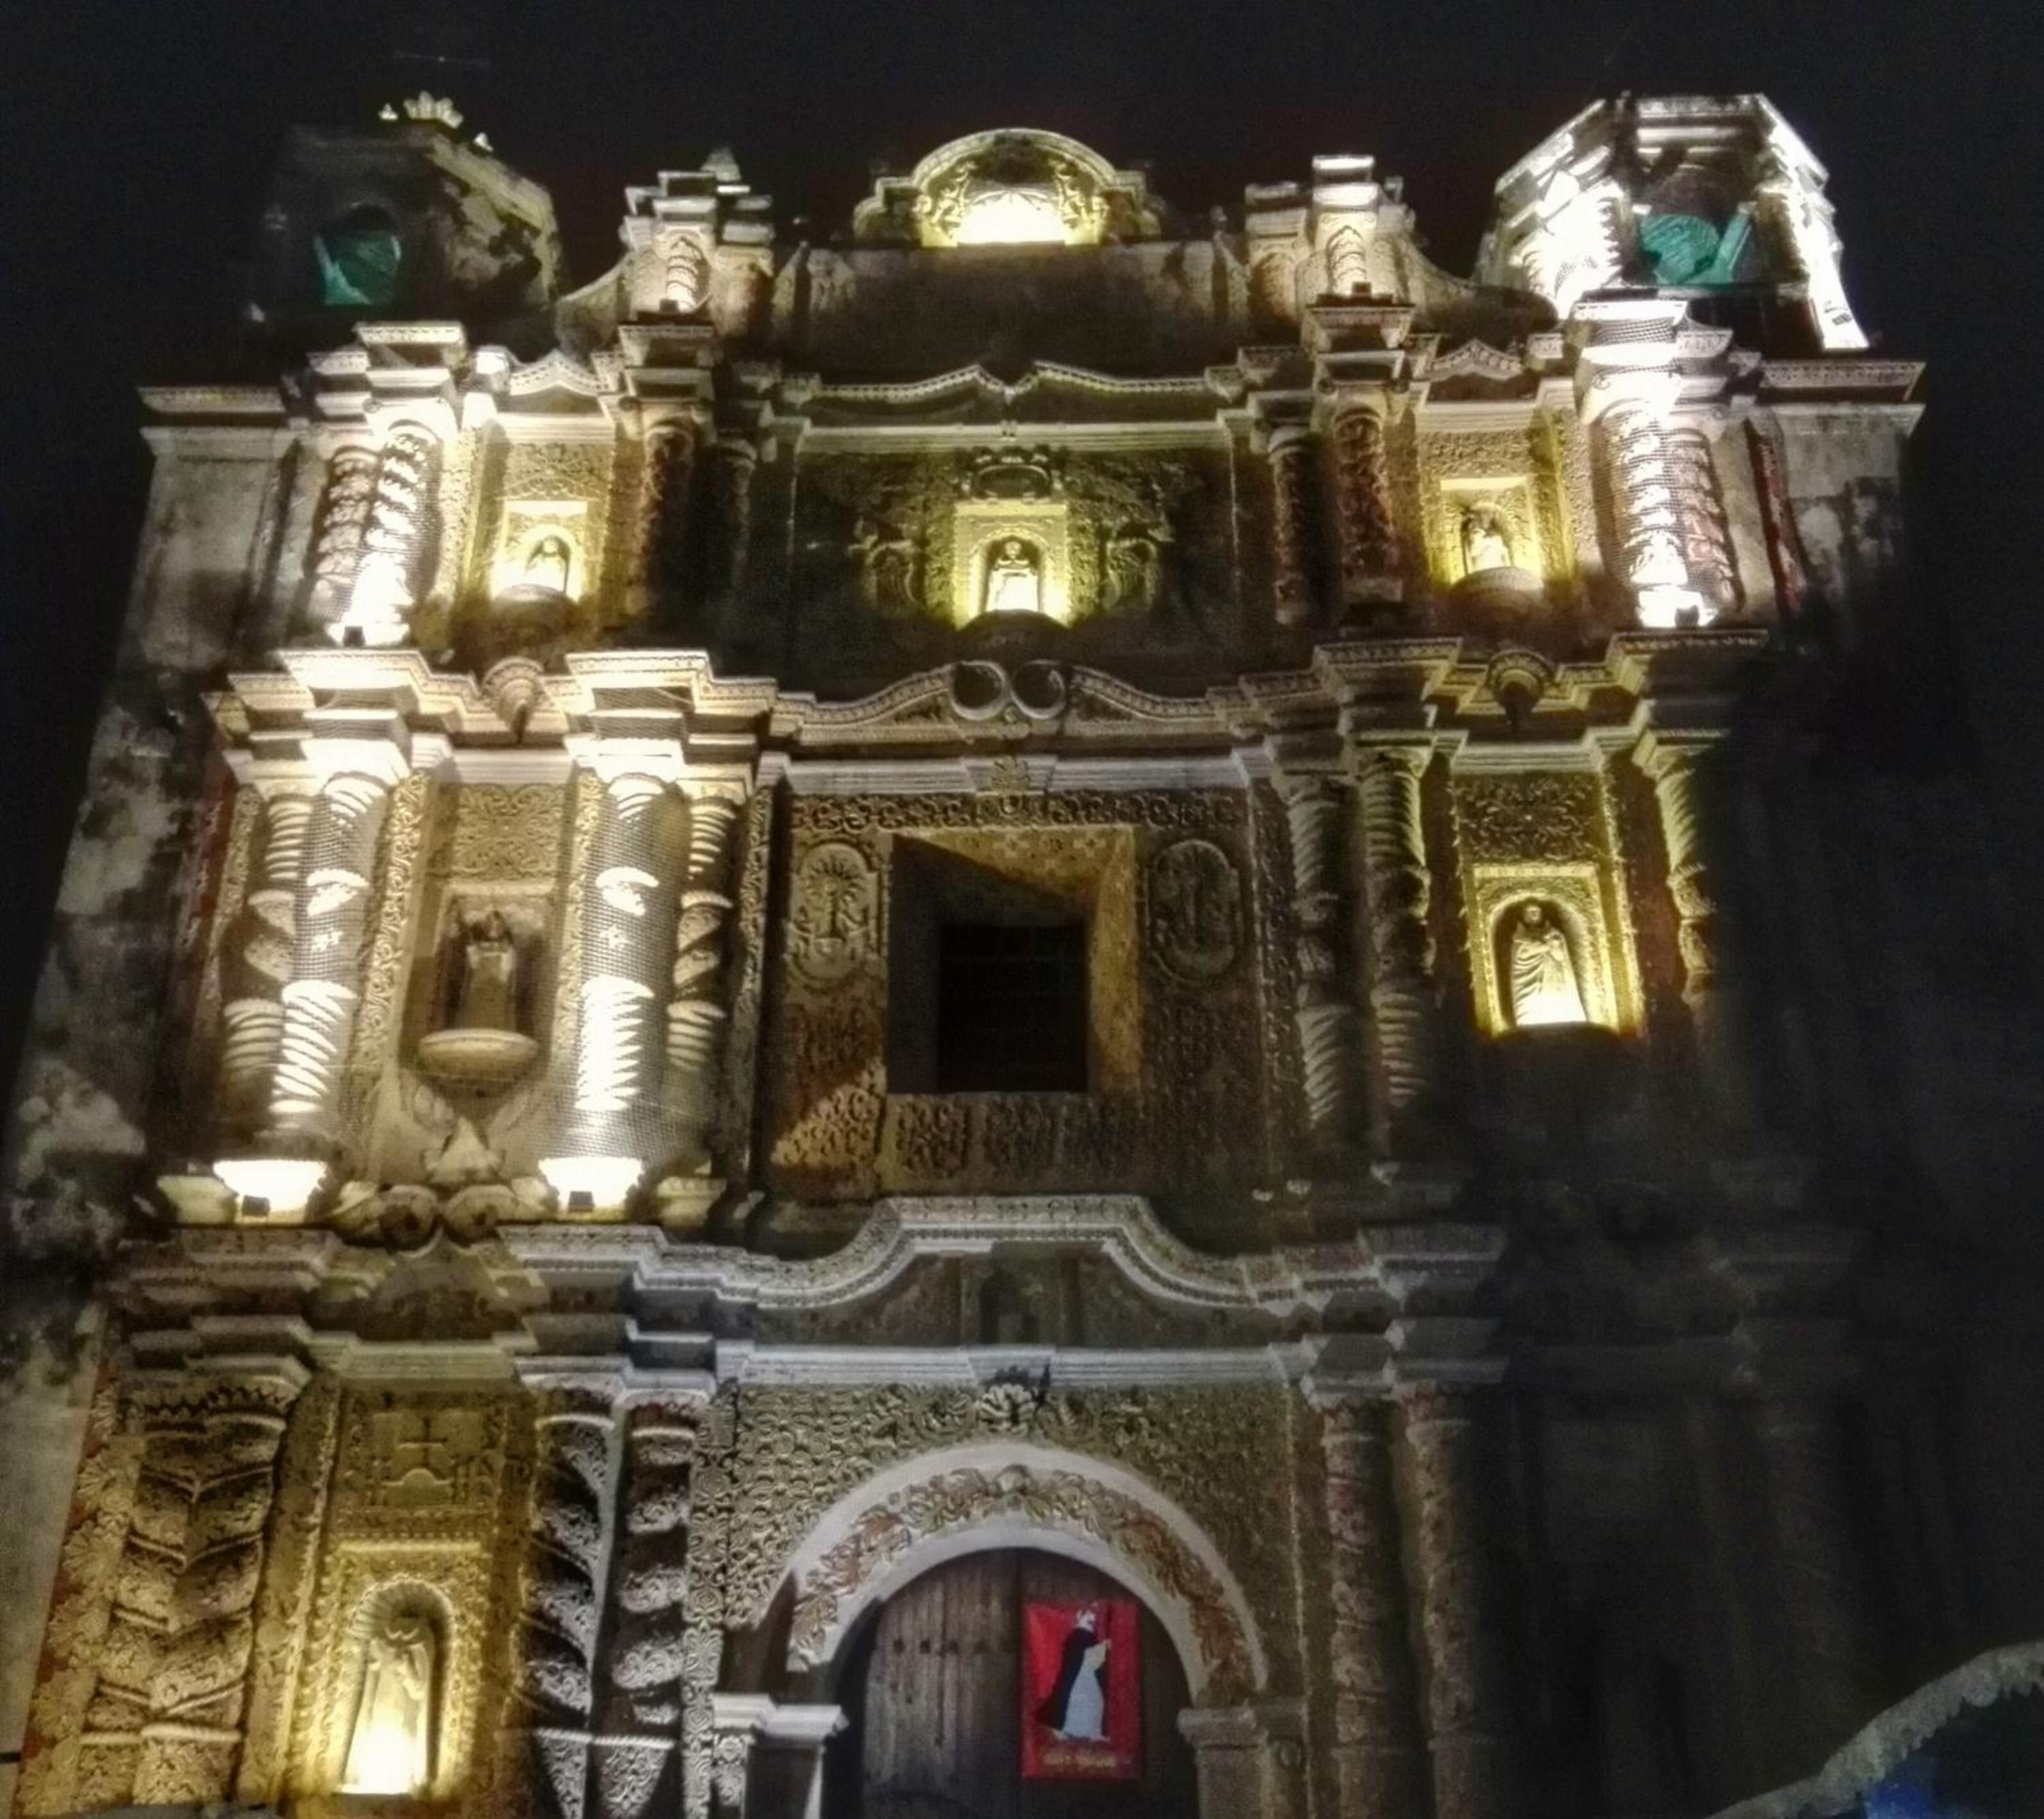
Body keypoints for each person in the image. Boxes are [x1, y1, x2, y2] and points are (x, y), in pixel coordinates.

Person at [1508, 901, 1588, 1026]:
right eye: (1530, 912)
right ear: (1524, 916)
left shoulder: (1553, 933)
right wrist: (1546, 946)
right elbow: (1522, 955)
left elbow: (1561, 957)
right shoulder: (1520, 937)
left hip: (1553, 978)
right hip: (1530, 980)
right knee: (1530, 1011)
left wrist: (1555, 945)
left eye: (1537, 912)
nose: (1534, 914)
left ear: (1542, 915)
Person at [1038, 1608, 1110, 1741]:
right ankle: (1064, 1728)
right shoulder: (1077, 1636)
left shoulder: (1088, 1635)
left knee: (1094, 1702)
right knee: (1077, 1702)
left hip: (1087, 1680)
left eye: (1094, 1614)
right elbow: (1084, 1658)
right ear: (1079, 1615)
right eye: (1089, 1613)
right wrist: (1103, 1647)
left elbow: (1091, 1660)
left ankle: (1093, 1731)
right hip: (1077, 1682)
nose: (1092, 1617)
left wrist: (1102, 1648)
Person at [985, 538, 1042, 615]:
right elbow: (995, 578)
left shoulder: (1027, 563)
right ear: (1005, 550)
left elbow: (1033, 576)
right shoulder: (999, 563)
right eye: (1009, 549)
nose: (1013, 551)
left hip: (1022, 591)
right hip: (1005, 592)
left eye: (1016, 549)